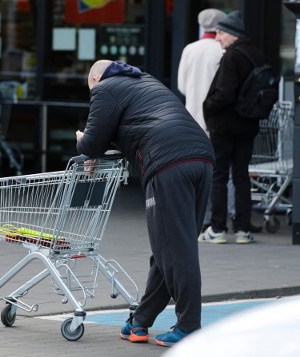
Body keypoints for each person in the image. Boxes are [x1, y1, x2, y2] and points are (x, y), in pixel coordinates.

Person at [76, 60, 214, 347]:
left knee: (176, 251)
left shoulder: (104, 89)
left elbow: (91, 142)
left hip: (168, 163)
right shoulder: (145, 82)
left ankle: (189, 326)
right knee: (171, 246)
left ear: (95, 77)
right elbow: (134, 127)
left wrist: (82, 140)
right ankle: (140, 321)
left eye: (90, 86)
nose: (91, 93)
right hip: (200, 157)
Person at [200, 11, 265, 244]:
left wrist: (207, 106)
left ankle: (218, 229)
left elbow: (225, 93)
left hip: (225, 126)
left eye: (220, 33)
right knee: (241, 176)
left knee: (219, 175)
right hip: (248, 125)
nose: (217, 38)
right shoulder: (257, 54)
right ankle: (243, 229)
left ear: (232, 34)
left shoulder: (232, 57)